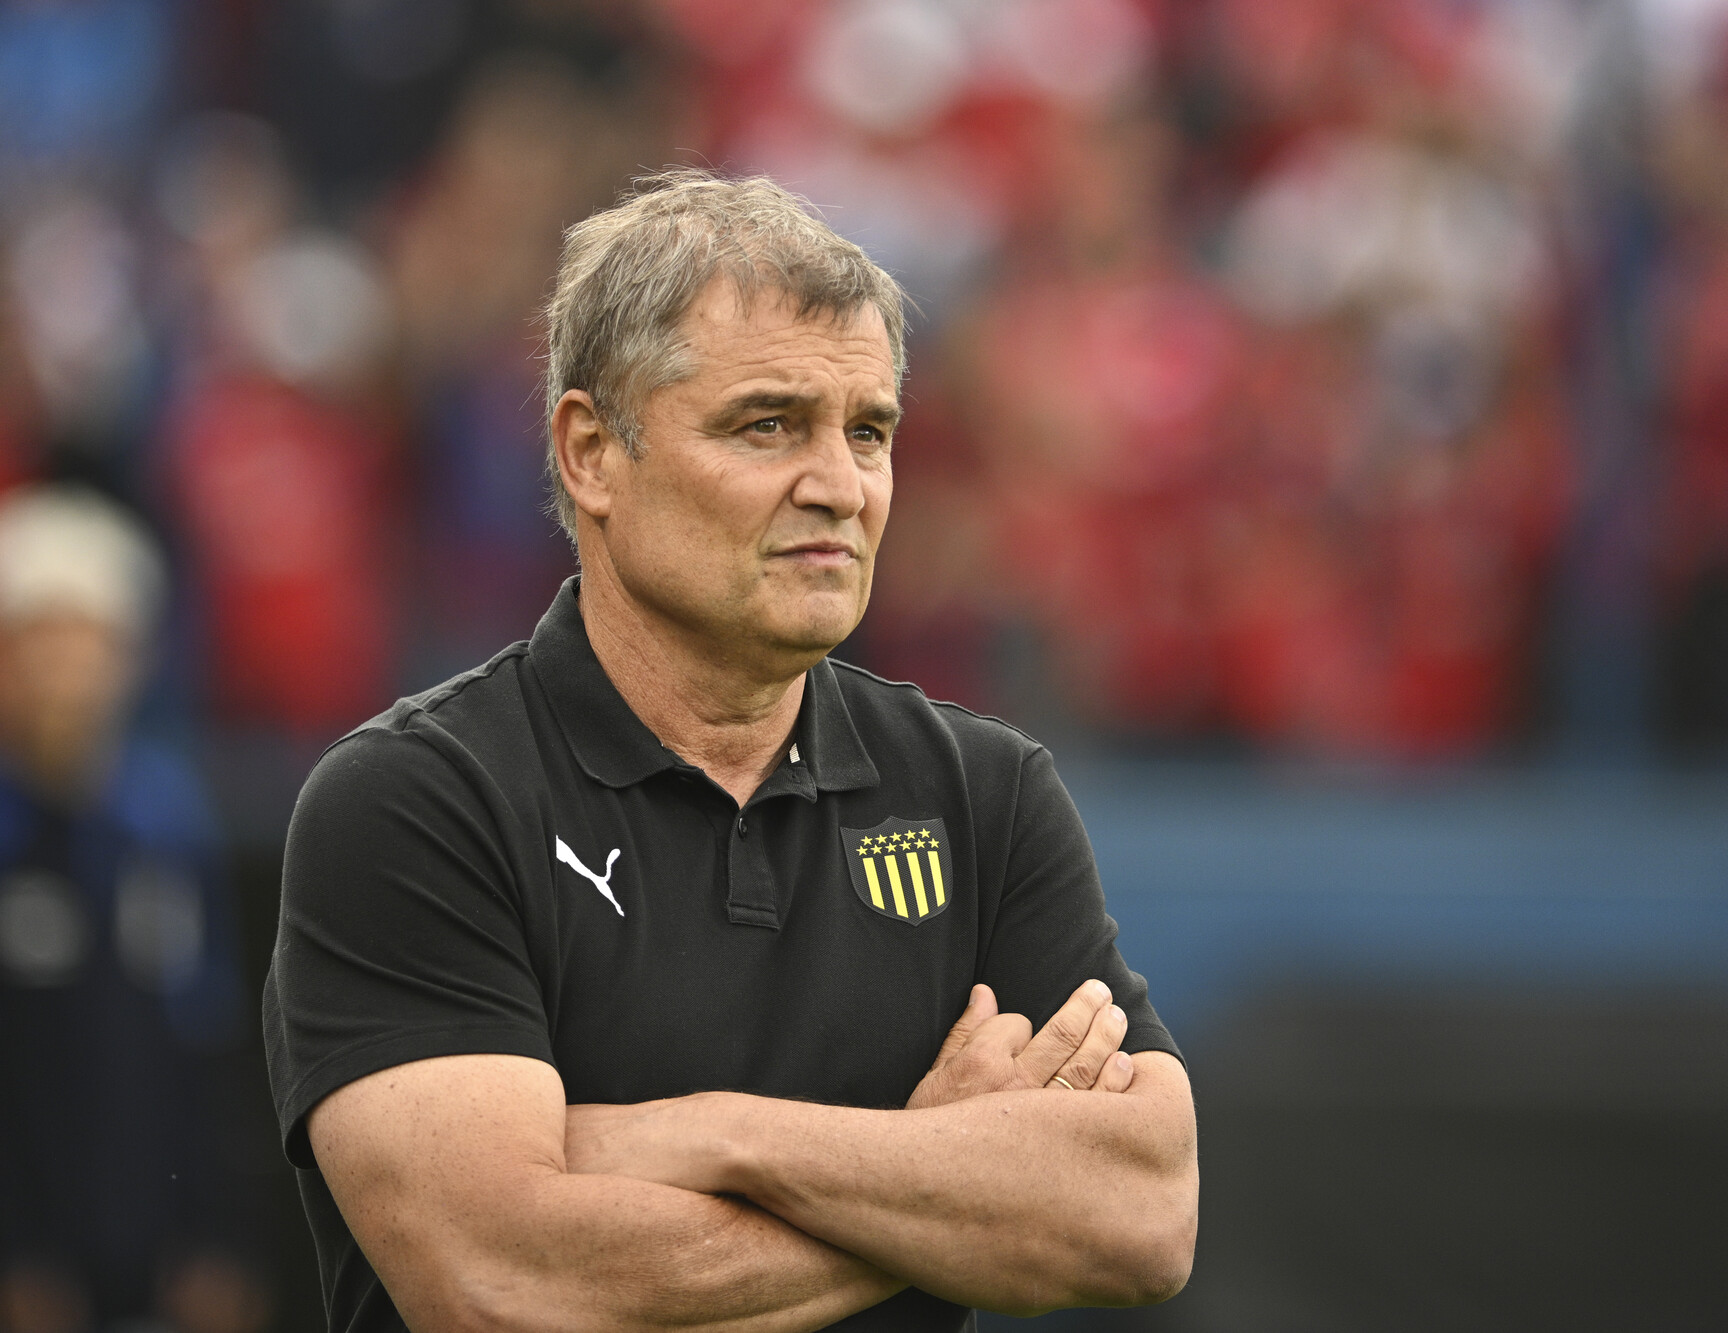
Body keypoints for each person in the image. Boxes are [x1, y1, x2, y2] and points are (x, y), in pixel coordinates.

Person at [263, 171, 1197, 1333]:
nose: (840, 487)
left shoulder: (985, 792)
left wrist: (722, 1136)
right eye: (767, 425)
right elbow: (501, 1284)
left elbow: (1143, 1214)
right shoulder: (416, 800)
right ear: (591, 452)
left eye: (868, 432)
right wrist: (936, 1171)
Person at [0, 485, 266, 1333]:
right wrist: (17, 1250)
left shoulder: (168, 827)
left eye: (92, 640)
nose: (69, 669)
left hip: (159, 1263)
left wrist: (218, 1237)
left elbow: (210, 1042)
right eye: (42, 639)